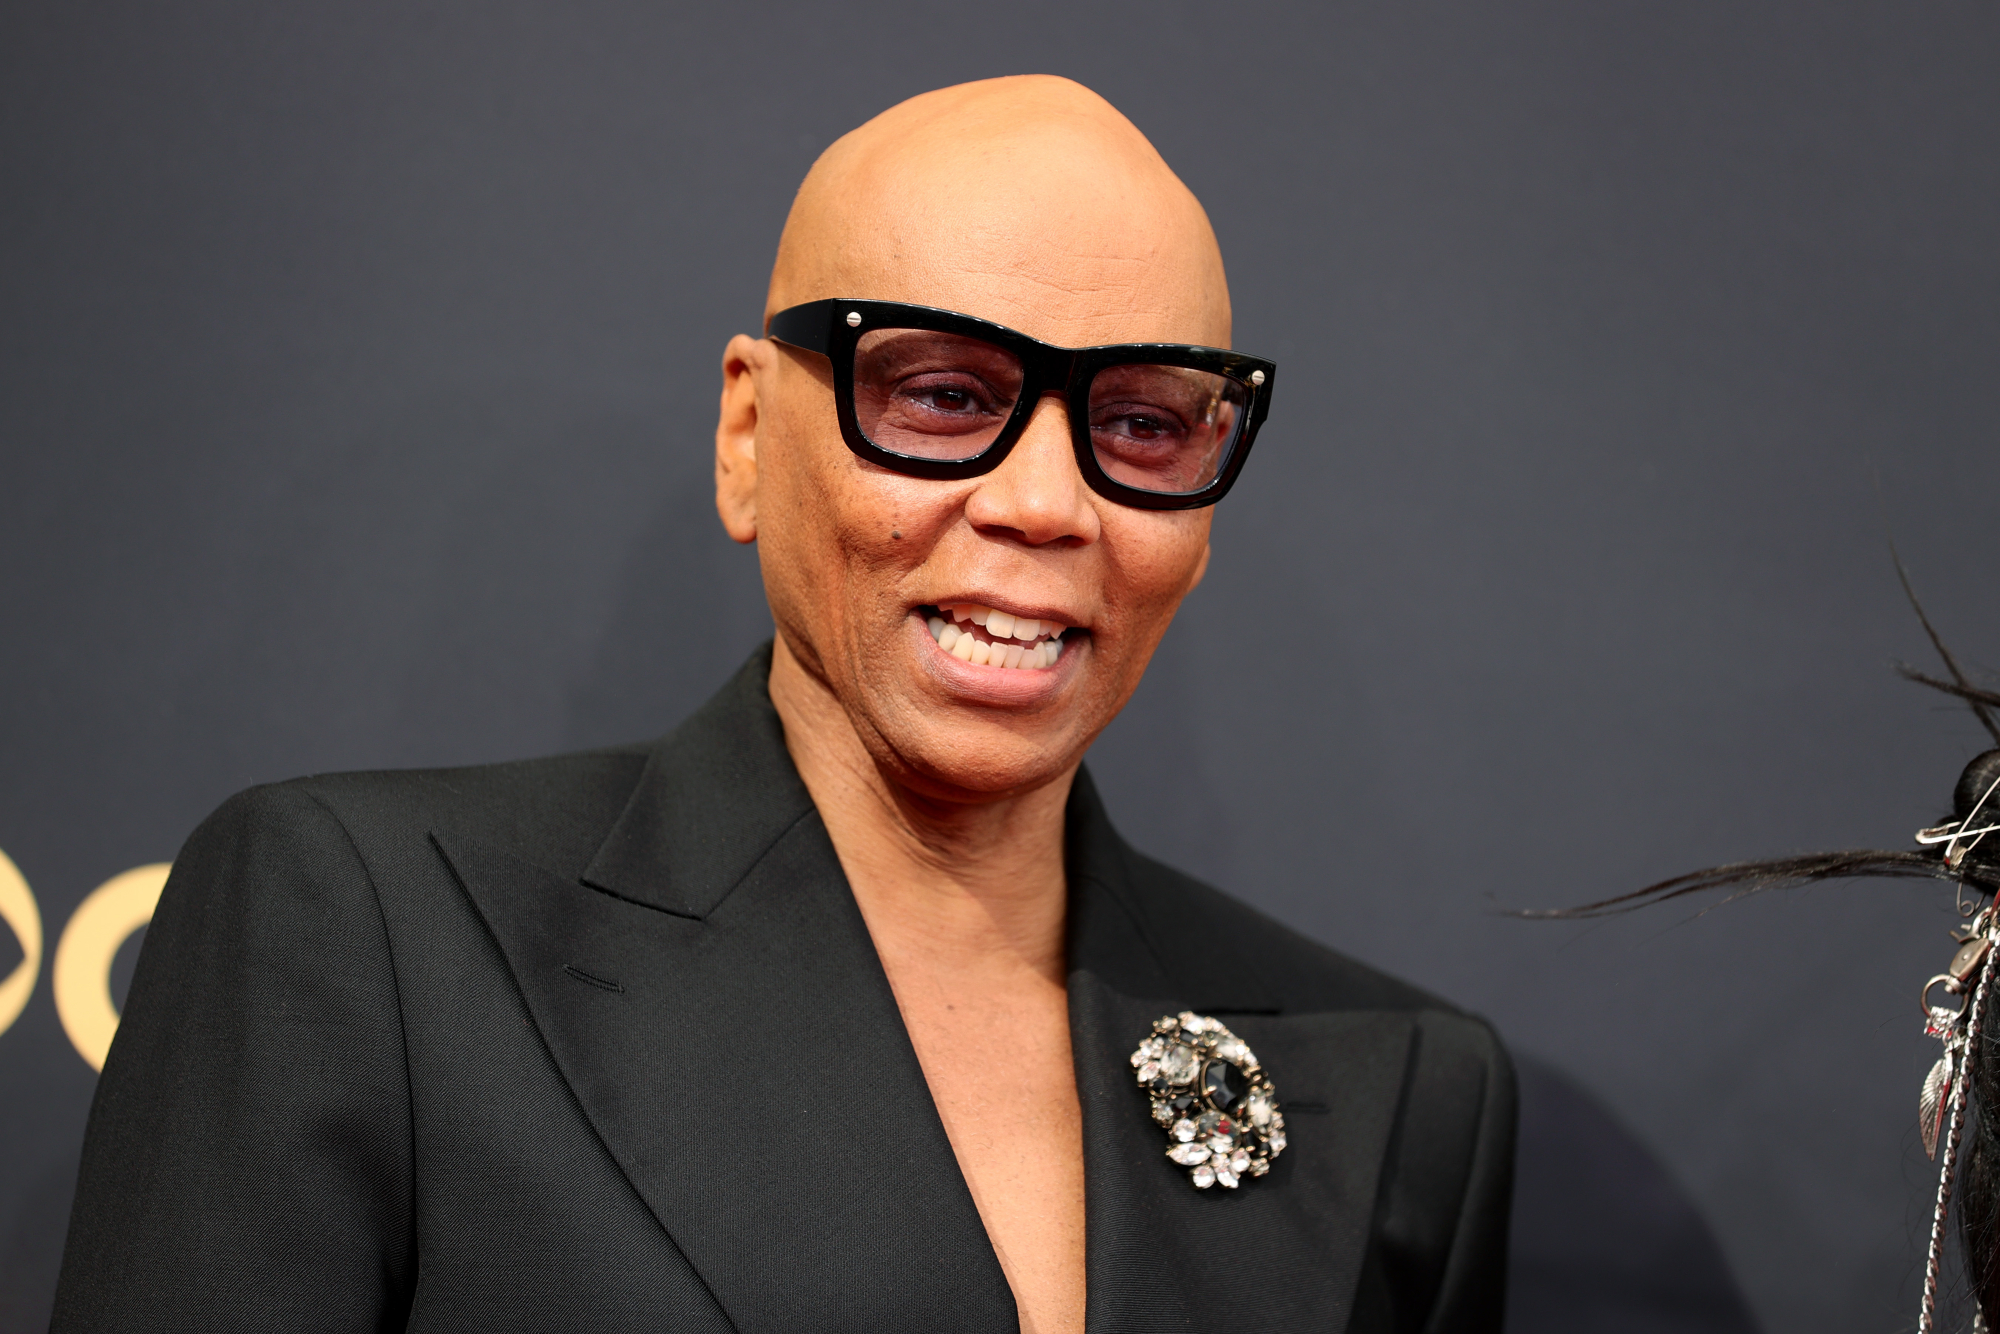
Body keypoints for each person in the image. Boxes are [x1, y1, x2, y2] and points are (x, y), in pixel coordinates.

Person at [50, 75, 1514, 1333]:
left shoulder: (1389, 1091)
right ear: (750, 434)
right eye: (941, 395)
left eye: (1139, 422)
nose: (1046, 502)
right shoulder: (371, 937)